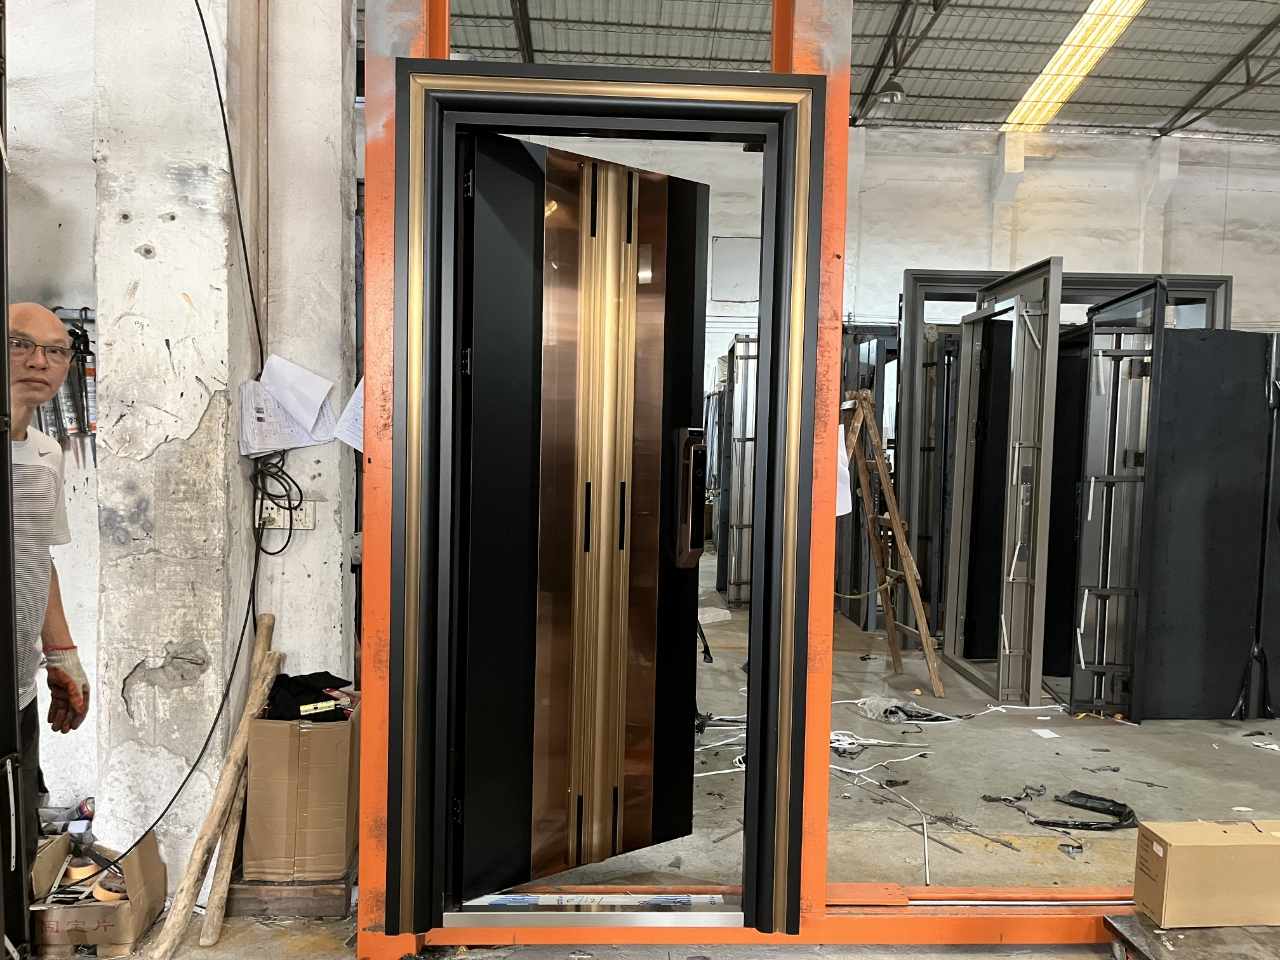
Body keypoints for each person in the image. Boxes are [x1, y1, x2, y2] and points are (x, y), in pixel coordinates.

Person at [7, 302, 89, 861]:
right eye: (20, 344)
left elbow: (39, 556)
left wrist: (62, 654)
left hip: (19, 690)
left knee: (16, 843)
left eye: (55, 351)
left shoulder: (46, 453)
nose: (39, 361)